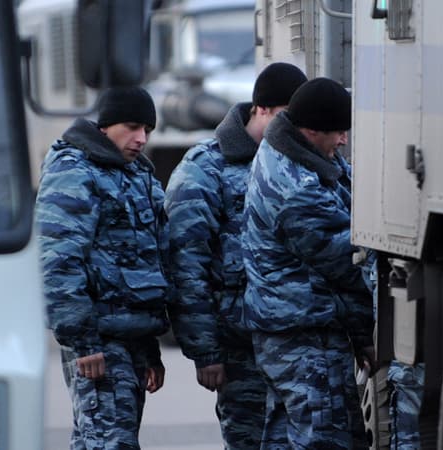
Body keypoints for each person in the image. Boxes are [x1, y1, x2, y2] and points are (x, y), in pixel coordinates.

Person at [164, 62, 307, 449]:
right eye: (284, 118)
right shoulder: (204, 169)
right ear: (261, 109)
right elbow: (186, 263)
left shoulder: (300, 162)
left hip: (297, 340)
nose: (292, 129)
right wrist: (204, 349)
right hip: (239, 343)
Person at [241, 77, 375, 449]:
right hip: (304, 338)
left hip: (289, 332)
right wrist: (369, 332)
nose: (344, 140)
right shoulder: (298, 187)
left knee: (287, 438)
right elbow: (349, 265)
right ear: (312, 130)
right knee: (322, 439)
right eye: (338, 131)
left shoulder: (294, 155)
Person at [35, 86, 170, 449]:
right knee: (110, 442)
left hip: (130, 338)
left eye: (148, 130)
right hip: (99, 338)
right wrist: (83, 341)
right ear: (106, 126)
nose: (141, 139)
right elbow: (58, 259)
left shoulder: (136, 173)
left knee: (102, 441)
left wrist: (150, 347)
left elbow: (147, 262)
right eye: (132, 127)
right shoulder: (74, 169)